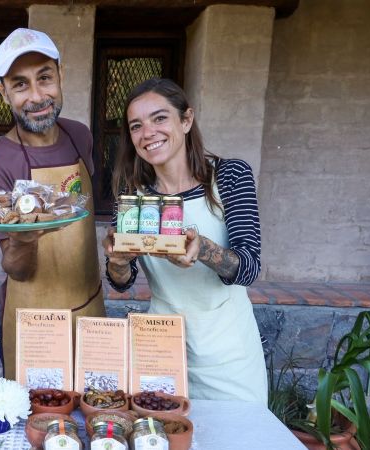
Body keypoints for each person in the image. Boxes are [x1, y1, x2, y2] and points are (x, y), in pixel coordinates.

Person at [103, 77, 267, 404]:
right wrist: (117, 262)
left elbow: (249, 267)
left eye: (159, 118)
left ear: (186, 120)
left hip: (228, 353)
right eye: (136, 126)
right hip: (160, 346)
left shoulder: (230, 175)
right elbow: (122, 282)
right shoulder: (133, 195)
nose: (148, 132)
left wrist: (203, 249)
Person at [0, 28, 106, 382]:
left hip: (91, 306)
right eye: (20, 85)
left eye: (45, 78)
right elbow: (16, 269)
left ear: (61, 75)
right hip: (35, 325)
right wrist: (24, 237)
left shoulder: (80, 136)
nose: (37, 96)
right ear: (3, 92)